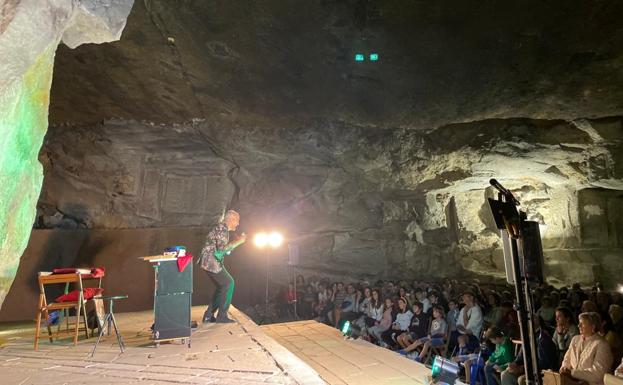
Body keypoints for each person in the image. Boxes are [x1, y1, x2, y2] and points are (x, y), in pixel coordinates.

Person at [199, 210, 246, 323]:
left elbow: (223, 250)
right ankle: (222, 316)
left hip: (210, 262)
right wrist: (239, 241)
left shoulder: (222, 229)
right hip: (211, 262)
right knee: (228, 283)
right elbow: (221, 250)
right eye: (237, 221)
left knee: (223, 286)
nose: (238, 224)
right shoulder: (222, 229)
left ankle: (208, 315)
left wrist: (235, 242)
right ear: (231, 220)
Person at [560, 312, 613, 385]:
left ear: (593, 327)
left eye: (582, 323)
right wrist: (564, 368)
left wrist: (572, 373)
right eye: (579, 323)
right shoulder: (575, 339)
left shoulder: (602, 345)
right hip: (572, 381)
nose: (579, 326)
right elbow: (567, 359)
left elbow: (597, 374)